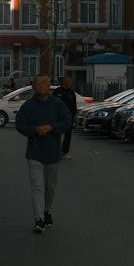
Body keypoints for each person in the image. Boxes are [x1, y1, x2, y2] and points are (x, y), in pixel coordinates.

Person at [15, 73, 70, 234]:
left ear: (49, 86)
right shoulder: (28, 106)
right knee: (37, 187)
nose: (41, 87)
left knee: (50, 187)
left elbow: (67, 121)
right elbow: (20, 124)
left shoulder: (58, 104)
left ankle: (46, 211)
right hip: (34, 152)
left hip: (53, 152)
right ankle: (38, 218)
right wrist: (34, 130)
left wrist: (52, 127)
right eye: (38, 84)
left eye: (44, 83)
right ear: (33, 87)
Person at [53, 74, 79, 159]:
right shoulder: (57, 92)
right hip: (58, 117)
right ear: (64, 82)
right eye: (69, 82)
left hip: (69, 118)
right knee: (57, 135)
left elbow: (74, 105)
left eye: (71, 82)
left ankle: (65, 152)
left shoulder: (71, 92)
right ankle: (55, 152)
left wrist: (74, 115)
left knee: (68, 136)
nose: (70, 83)